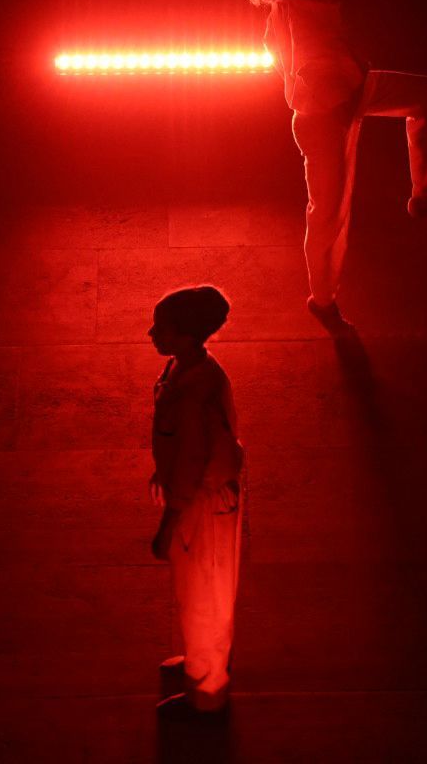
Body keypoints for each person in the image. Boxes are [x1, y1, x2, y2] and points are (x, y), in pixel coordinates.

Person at [240, 0, 427, 333]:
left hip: (354, 91)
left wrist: (352, 75)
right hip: (323, 118)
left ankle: (424, 193)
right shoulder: (293, 11)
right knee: (328, 213)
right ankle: (322, 300)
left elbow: (285, 52)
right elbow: (300, 65)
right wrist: (328, 99)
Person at [147, 285, 244, 719]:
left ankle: (207, 692)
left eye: (162, 329)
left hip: (200, 508)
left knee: (204, 593)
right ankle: (201, 663)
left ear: (187, 337)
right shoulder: (187, 370)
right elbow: (185, 447)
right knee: (200, 592)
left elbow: (192, 459)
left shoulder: (194, 393)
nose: (152, 334)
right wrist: (162, 471)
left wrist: (168, 522)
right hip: (198, 497)